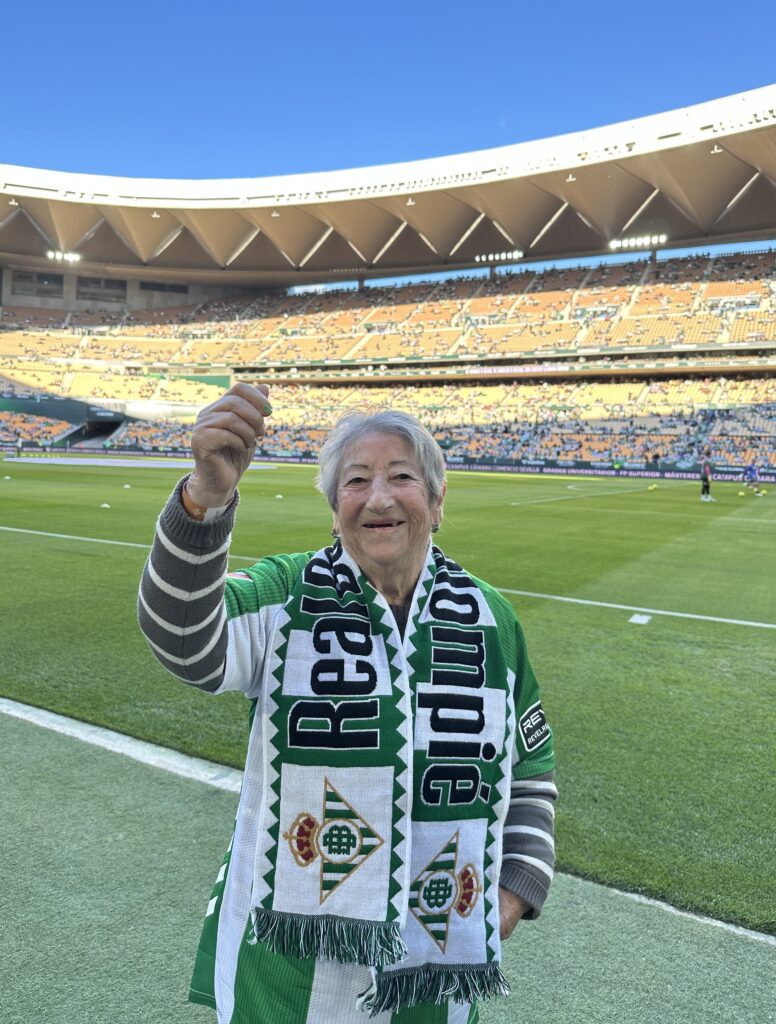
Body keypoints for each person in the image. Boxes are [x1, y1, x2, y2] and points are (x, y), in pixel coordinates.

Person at [138, 383, 557, 1024]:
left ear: (438, 501)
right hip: (285, 977)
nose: (379, 497)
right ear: (335, 510)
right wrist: (206, 500)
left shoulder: (491, 621)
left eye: (401, 477)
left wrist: (515, 892)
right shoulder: (290, 593)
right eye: (356, 480)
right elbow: (186, 641)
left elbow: (530, 769)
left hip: (436, 975)